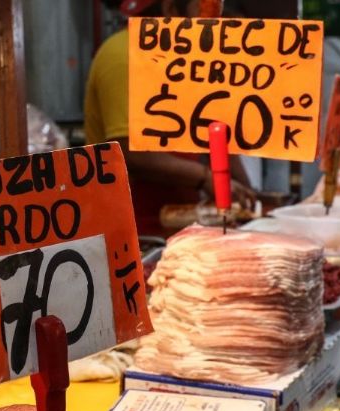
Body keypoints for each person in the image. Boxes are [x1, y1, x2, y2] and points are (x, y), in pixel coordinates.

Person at [84, 0, 255, 237]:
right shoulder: (123, 54)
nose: (210, 18)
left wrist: (248, 191)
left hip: (179, 220)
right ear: (170, 10)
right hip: (131, 228)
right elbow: (128, 152)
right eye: (201, 8)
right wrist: (205, 177)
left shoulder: (184, 55)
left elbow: (212, 127)